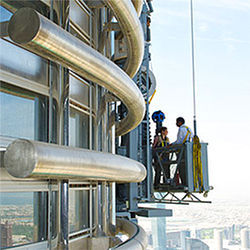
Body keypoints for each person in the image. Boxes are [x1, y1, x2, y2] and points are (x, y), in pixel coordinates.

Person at [172, 117, 193, 186]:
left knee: (181, 166)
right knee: (187, 166)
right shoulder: (188, 129)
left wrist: (172, 144)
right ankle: (188, 181)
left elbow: (179, 141)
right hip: (188, 150)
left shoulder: (181, 129)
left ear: (179, 122)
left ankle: (183, 182)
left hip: (182, 150)